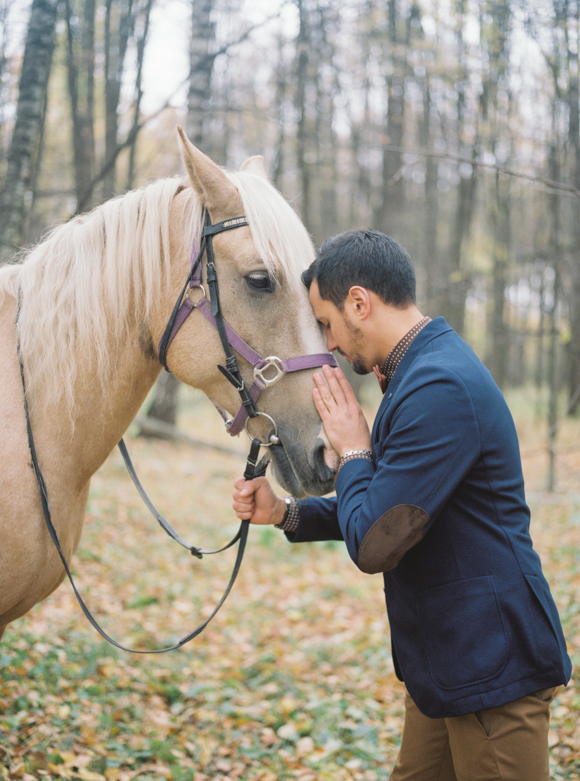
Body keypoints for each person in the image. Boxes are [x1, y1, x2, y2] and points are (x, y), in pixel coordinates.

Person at [232, 229, 571, 781]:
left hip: (493, 667)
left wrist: (354, 448)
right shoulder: (419, 372)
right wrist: (285, 513)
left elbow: (376, 542)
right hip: (446, 664)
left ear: (359, 302)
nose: (330, 342)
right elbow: (395, 505)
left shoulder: (440, 384)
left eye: (327, 322)